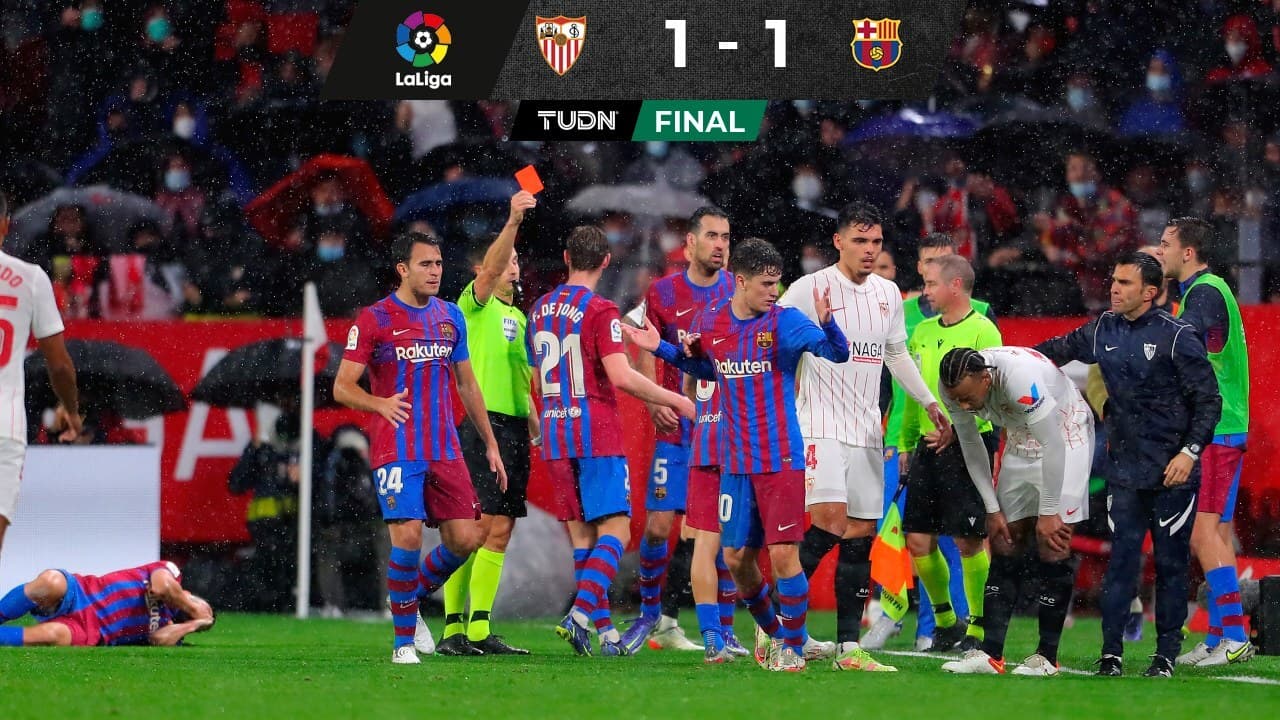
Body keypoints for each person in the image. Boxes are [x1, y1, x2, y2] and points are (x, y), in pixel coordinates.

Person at [625, 237, 849, 672]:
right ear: (741, 282)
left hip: (780, 459)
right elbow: (705, 368)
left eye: (777, 283)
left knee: (782, 556)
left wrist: (829, 324)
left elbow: (836, 354)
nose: (773, 291)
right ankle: (777, 636)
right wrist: (660, 347)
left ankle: (792, 648)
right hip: (737, 462)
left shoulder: (787, 322)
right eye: (765, 283)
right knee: (736, 559)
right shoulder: (713, 321)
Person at [1034, 252, 1221, 678]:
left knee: (1171, 565)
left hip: (1172, 472)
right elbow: (1052, 352)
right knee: (1121, 564)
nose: (1114, 289)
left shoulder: (1178, 336)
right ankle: (1111, 654)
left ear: (1150, 292)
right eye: (1113, 281)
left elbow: (1209, 402)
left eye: (1124, 283)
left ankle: (1165, 655)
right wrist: (1002, 361)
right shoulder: (1103, 329)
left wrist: (1189, 453)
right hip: (1124, 471)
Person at [777, 201, 943, 672]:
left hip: (867, 429)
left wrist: (929, 402)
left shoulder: (888, 293)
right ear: (839, 242)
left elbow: (896, 355)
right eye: (860, 241)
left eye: (876, 242)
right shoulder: (809, 288)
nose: (869, 250)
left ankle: (848, 648)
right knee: (829, 521)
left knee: (861, 534)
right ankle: (777, 627)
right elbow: (771, 336)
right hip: (820, 424)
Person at [334, 231, 508, 665]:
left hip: (445, 447)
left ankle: (405, 596)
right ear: (403, 269)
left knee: (467, 538)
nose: (435, 272)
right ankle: (403, 645)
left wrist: (490, 442)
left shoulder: (451, 316)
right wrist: (379, 403)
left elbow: (467, 384)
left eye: (439, 263)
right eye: (425, 264)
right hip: (397, 445)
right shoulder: (374, 319)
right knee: (408, 535)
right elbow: (342, 386)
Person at [529, 226, 694, 657]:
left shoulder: (540, 309)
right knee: (616, 531)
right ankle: (578, 616)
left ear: (566, 257)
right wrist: (677, 399)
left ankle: (605, 635)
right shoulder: (600, 309)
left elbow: (537, 379)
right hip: (594, 431)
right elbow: (621, 376)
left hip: (555, 432)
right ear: (605, 261)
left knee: (583, 537)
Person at [935, 347, 1095, 676]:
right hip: (1021, 439)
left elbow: (1053, 444)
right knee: (1005, 540)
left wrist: (1049, 512)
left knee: (1053, 542)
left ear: (986, 378)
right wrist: (991, 508)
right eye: (957, 400)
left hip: (1066, 437)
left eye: (967, 398)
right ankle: (991, 654)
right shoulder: (951, 385)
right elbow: (971, 445)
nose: (963, 406)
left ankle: (1047, 657)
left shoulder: (1020, 377)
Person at [621, 206, 736, 655]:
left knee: (719, 530)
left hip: (722, 426)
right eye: (712, 236)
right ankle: (652, 616)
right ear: (690, 243)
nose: (720, 245)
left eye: (725, 237)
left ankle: (725, 628)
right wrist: (654, 401)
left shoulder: (737, 288)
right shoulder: (664, 291)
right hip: (677, 425)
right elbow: (645, 347)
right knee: (658, 526)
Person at [878, 233, 996, 651]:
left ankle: (977, 628)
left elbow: (991, 393)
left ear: (955, 286)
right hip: (928, 444)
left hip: (969, 445)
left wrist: (958, 428)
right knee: (918, 539)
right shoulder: (924, 332)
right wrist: (906, 441)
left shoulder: (984, 330)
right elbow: (913, 394)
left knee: (968, 540)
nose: (924, 291)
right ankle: (946, 622)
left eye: (931, 284)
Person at [439, 191, 538, 656]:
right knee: (473, 530)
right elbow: (491, 270)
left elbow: (521, 381)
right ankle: (451, 628)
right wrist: (513, 222)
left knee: (501, 530)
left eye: (517, 260)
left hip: (514, 429)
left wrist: (535, 423)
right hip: (481, 429)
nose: (512, 267)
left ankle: (478, 630)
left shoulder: (519, 318)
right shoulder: (472, 306)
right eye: (505, 260)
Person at [1157, 218, 1255, 667]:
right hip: (1226, 426)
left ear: (1188, 252)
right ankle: (1219, 637)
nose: (1160, 251)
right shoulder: (1205, 291)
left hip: (1217, 430)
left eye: (1166, 244)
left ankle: (1235, 637)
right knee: (1217, 533)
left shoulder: (1204, 292)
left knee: (1202, 533)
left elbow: (1181, 342)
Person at [0, 189, 81, 563]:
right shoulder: (30, 279)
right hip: (5, 427)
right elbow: (59, 365)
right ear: (5, 226)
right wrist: (72, 410)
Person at [0, 561, 213, 647]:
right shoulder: (171, 574)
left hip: (89, 630)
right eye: (205, 607)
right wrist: (194, 609)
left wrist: (194, 624)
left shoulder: (171, 627)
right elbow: (161, 587)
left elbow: (158, 639)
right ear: (189, 594)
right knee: (50, 581)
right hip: (82, 591)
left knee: (53, 636)